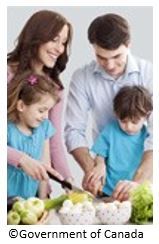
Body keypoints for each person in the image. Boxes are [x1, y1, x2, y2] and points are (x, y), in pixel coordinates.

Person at [65, 13, 153, 200]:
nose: (110, 65)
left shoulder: (150, 74)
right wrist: (94, 171)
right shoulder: (82, 78)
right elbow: (73, 131)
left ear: (129, 44)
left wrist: (137, 183)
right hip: (105, 182)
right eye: (101, 57)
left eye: (116, 56)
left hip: (146, 177)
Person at [7, 10, 73, 183]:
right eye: (54, 39)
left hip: (33, 189)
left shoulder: (55, 89)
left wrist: (68, 179)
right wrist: (21, 159)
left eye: (64, 42)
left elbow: (54, 142)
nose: (60, 48)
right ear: (36, 37)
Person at [86, 86, 152, 200]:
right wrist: (100, 165)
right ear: (116, 114)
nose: (128, 127)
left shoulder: (148, 137)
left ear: (146, 116)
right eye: (123, 121)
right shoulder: (110, 130)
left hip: (132, 192)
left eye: (134, 122)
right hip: (108, 190)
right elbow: (100, 154)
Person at [7, 71, 64, 199]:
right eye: (41, 110)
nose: (45, 116)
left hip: (30, 201)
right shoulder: (7, 129)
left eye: (48, 111)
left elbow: (45, 168)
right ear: (21, 106)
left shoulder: (44, 128)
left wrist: (43, 201)